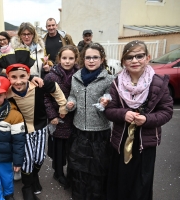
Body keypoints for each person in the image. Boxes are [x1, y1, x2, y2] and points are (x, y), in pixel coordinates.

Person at [0, 48, 68, 200]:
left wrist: (63, 105)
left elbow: (55, 89)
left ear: (28, 75)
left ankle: (33, 177)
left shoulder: (38, 85)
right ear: (7, 77)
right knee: (27, 160)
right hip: (20, 130)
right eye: (13, 77)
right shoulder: (5, 92)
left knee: (39, 158)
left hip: (40, 126)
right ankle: (27, 187)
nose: (18, 81)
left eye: (22, 76)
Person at [104, 40, 173, 200]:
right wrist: (123, 114)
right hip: (121, 141)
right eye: (129, 57)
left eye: (139, 56)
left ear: (148, 58)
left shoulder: (158, 83)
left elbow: (167, 111)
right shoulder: (117, 83)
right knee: (121, 180)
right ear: (123, 62)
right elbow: (109, 110)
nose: (134, 61)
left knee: (141, 183)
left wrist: (147, 119)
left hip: (145, 143)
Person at [66, 43, 114, 199]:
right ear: (83, 59)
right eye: (88, 57)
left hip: (99, 131)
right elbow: (73, 95)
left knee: (97, 167)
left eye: (95, 57)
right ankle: (80, 194)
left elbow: (112, 99)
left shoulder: (109, 79)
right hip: (79, 129)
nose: (91, 60)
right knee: (80, 167)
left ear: (102, 59)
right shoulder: (76, 77)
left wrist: (106, 101)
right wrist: (70, 103)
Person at [44, 45, 79, 189]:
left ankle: (72, 173)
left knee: (72, 148)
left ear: (76, 59)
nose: (67, 61)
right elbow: (45, 98)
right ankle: (58, 173)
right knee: (58, 149)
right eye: (64, 58)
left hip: (74, 116)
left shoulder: (79, 74)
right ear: (59, 58)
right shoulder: (51, 76)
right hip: (58, 117)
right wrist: (52, 115)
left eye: (71, 58)